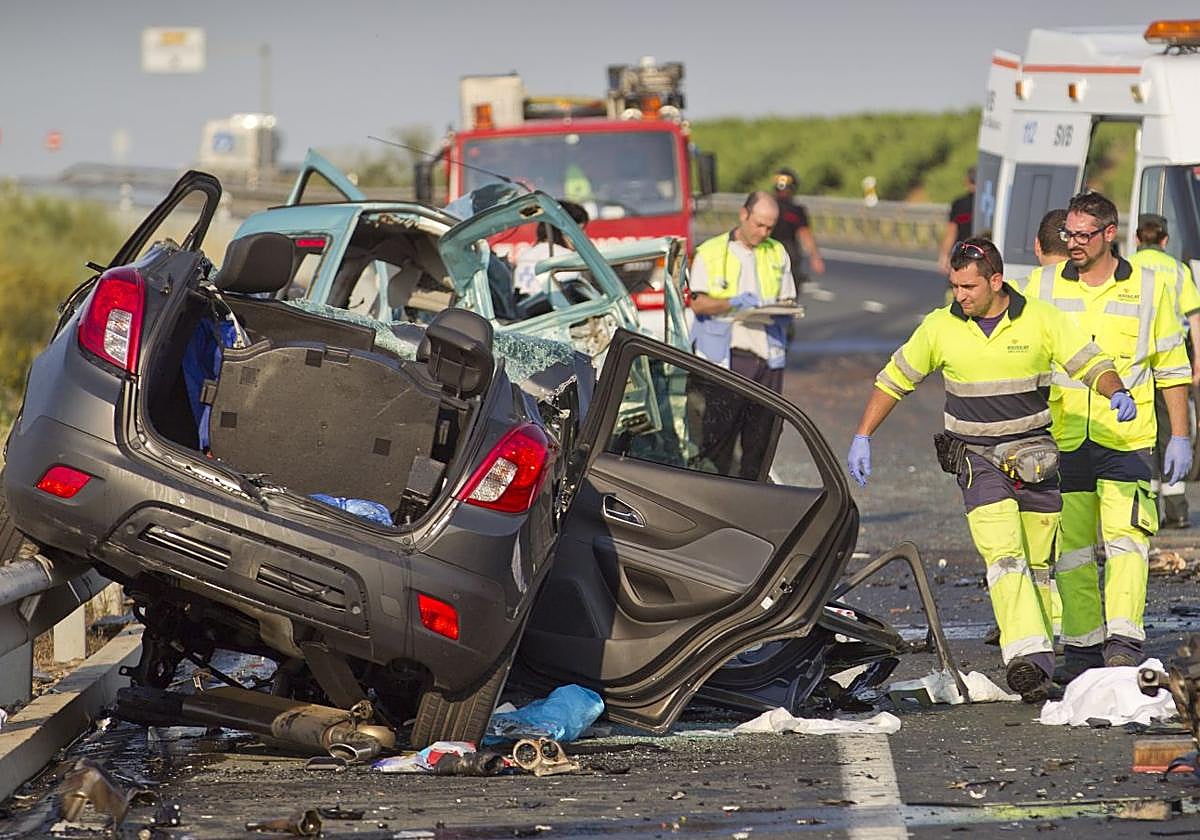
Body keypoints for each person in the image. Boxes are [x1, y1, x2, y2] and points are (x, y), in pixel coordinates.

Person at [847, 237, 1128, 701]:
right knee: (1004, 556)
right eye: (954, 286)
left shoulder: (1041, 320)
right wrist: (863, 434)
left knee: (1038, 565)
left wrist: (1114, 389)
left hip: (1036, 458)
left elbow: (1090, 363)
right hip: (978, 460)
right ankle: (1027, 656)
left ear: (996, 281)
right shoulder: (940, 327)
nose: (960, 295)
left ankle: (1039, 662)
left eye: (969, 286)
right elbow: (894, 380)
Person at [1021, 192, 1193, 675]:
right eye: (1067, 235)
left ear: (1109, 234)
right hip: (1066, 435)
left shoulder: (1150, 287)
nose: (1072, 243)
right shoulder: (1043, 284)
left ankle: (1123, 640)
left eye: (1081, 235)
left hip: (1128, 439)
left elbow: (1171, 366)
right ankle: (1081, 645)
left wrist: (1180, 434)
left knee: (1127, 540)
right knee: (1072, 547)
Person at [689, 191, 795, 477]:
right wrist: (733, 302)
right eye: (759, 224)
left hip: (768, 357)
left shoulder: (776, 252)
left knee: (761, 440)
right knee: (719, 440)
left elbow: (788, 298)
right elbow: (697, 302)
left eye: (770, 227)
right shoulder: (711, 252)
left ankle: (753, 500)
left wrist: (782, 309)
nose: (764, 232)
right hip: (728, 356)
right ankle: (714, 495)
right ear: (743, 215)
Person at [1129, 213, 1200, 529]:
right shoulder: (1178, 270)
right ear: (1165, 240)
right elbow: (1194, 318)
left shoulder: (1127, 268)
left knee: (1143, 427)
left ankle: (1147, 509)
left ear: (1135, 239)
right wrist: (1197, 360)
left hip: (1137, 356)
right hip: (1173, 356)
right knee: (1173, 429)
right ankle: (1176, 509)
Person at [513, 201, 590, 297]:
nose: (584, 235)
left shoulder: (524, 259)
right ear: (564, 230)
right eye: (581, 229)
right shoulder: (567, 259)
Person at [770, 168, 825, 292]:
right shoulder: (769, 208)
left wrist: (815, 256)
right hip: (775, 254)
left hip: (787, 255)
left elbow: (805, 233)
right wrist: (815, 256)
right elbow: (805, 234)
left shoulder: (771, 207)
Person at [937, 167, 977, 275]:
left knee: (958, 288)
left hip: (962, 254)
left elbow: (951, 231)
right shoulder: (990, 204)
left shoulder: (960, 204)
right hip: (985, 254)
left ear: (967, 181)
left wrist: (944, 256)